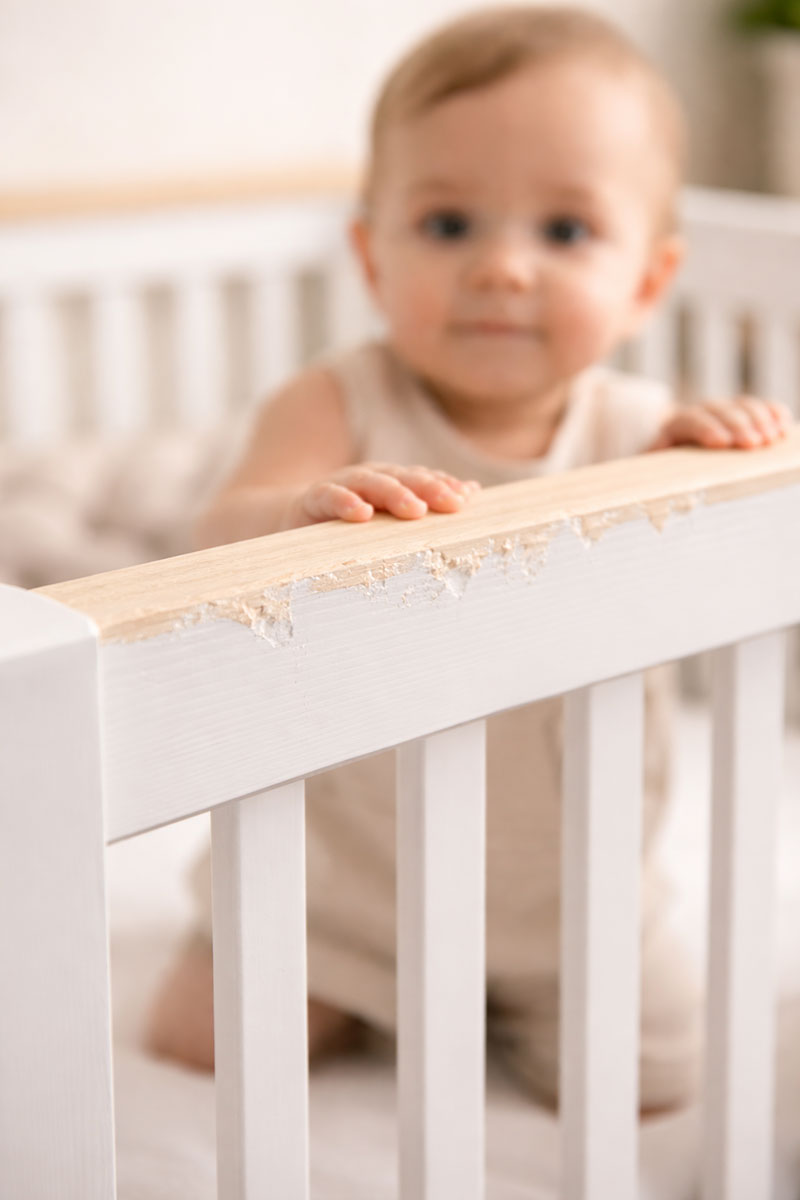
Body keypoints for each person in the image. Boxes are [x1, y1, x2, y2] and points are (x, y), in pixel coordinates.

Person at [146, 5, 791, 1110]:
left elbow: (719, 536)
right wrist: (297, 507)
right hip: (342, 879)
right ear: (368, 254)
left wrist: (719, 454)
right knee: (191, 1043)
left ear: (647, 281)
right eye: (447, 226)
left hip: (571, 897)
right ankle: (356, 992)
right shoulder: (337, 403)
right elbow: (218, 530)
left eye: (563, 232)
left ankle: (517, 999)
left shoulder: (642, 435)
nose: (500, 269)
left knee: (656, 1087)